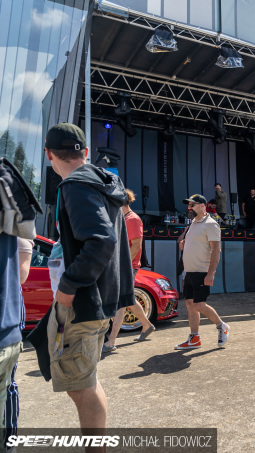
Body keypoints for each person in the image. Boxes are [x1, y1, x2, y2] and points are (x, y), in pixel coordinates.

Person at [44, 122, 135, 434]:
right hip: (97, 300)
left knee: (81, 386)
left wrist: (68, 287)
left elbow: (101, 241)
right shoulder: (105, 182)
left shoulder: (76, 185)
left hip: (81, 303)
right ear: (84, 151)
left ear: (48, 153)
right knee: (85, 383)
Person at [103, 189, 155, 353]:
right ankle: (146, 325)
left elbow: (136, 246)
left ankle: (111, 341)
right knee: (127, 299)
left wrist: (122, 266)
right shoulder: (123, 218)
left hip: (128, 266)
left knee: (120, 301)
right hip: (123, 265)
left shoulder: (132, 219)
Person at [175, 194, 230, 350]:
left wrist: (211, 273)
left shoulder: (211, 224)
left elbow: (216, 250)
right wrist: (184, 242)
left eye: (192, 205)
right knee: (190, 304)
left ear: (202, 206)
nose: (189, 208)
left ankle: (222, 326)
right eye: (189, 205)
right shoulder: (193, 223)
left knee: (199, 304)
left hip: (201, 271)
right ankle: (194, 338)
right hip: (189, 271)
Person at [1, 235, 31, 451]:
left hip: (8, 318)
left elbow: (21, 275)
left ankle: (9, 440)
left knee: (8, 383)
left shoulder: (17, 231)